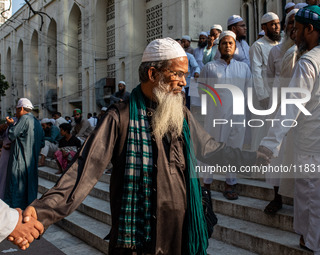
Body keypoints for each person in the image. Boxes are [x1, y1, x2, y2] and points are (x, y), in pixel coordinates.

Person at [18, 38, 268, 254]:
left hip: (180, 235)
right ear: (153, 74)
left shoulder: (180, 114)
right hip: (137, 241)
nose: (184, 82)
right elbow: (84, 170)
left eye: (185, 75)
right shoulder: (120, 117)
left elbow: (211, 148)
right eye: (178, 74)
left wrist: (253, 158)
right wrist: (41, 212)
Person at [259, 6, 320, 253]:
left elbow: (289, 109)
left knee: (314, 210)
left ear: (310, 29)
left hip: (313, 151)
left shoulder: (308, 62)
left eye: (298, 29)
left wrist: (268, 145)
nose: (295, 34)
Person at [200, 31, 252, 200]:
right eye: (224, 43)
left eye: (231, 43)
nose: (227, 46)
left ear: (235, 46)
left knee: (234, 148)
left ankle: (230, 184)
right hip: (214, 116)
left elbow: (249, 91)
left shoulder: (243, 67)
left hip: (237, 116)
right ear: (219, 46)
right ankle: (206, 184)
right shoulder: (210, 68)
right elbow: (201, 92)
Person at [263, 9, 298, 214]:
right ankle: (276, 197)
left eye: (297, 23)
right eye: (291, 23)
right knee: (276, 153)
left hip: (301, 111)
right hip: (278, 108)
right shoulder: (276, 52)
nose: (294, 27)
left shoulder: (308, 50)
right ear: (286, 27)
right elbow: (269, 77)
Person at [4, 98, 45, 209]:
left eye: (16, 110)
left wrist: (10, 125)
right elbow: (41, 143)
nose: (16, 114)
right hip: (31, 163)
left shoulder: (24, 119)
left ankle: (16, 214)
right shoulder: (37, 122)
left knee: (16, 188)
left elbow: (12, 134)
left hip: (20, 162)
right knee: (29, 188)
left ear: (21, 108)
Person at [249, 12, 281, 151]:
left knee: (274, 130)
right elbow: (256, 72)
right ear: (264, 27)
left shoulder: (282, 45)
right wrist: (262, 96)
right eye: (272, 24)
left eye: (278, 24)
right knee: (260, 130)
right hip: (263, 96)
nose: (276, 27)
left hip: (278, 94)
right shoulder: (258, 45)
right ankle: (255, 164)